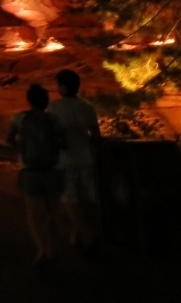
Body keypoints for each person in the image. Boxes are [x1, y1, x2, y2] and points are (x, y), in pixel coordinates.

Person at [7, 83, 65, 266]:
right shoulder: (54, 119)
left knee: (34, 214)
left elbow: (8, 139)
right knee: (52, 213)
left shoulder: (19, 118)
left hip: (29, 171)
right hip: (52, 170)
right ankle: (54, 249)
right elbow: (61, 141)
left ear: (29, 100)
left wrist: (22, 148)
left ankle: (42, 249)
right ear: (47, 100)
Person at [49, 68, 101, 254]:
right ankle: (76, 234)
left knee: (71, 200)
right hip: (86, 158)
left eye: (58, 84)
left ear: (63, 86)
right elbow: (96, 136)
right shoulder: (87, 107)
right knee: (85, 199)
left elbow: (52, 135)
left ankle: (87, 235)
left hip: (65, 160)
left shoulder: (54, 108)